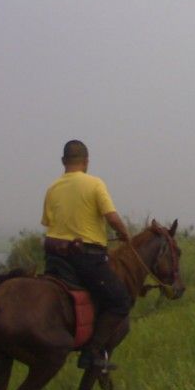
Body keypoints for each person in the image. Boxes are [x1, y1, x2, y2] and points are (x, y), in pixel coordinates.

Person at [41, 140, 131, 370]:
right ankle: (91, 354)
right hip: (87, 258)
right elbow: (111, 217)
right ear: (87, 161)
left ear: (63, 162)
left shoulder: (52, 188)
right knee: (120, 300)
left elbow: (49, 223)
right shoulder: (94, 184)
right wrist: (124, 234)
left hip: (55, 258)